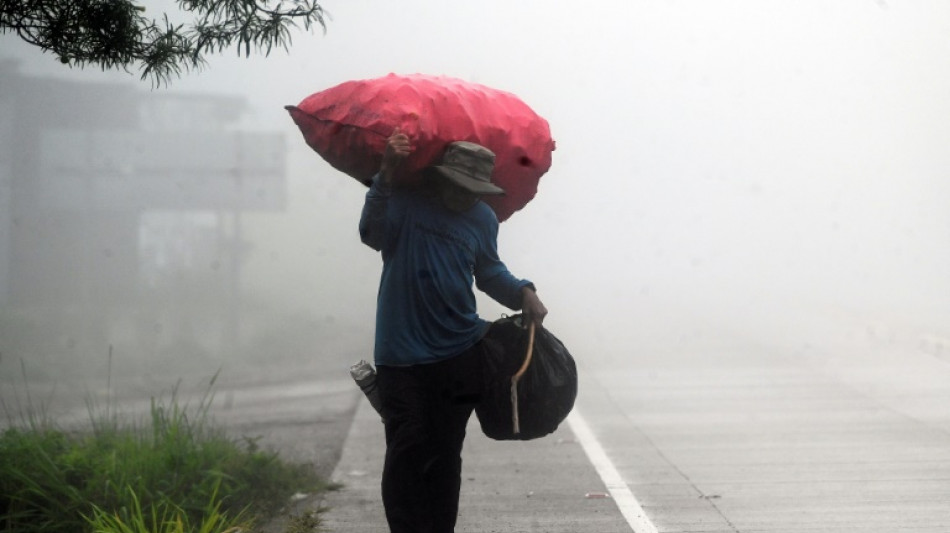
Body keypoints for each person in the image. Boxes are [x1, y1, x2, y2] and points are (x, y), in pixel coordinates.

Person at [359, 129, 548, 533]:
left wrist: (522, 291)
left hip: (460, 352)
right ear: (442, 177)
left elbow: (489, 271)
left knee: (445, 452)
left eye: (475, 189)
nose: (466, 196)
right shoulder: (405, 203)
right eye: (460, 186)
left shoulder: (481, 218)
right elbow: (370, 234)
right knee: (406, 446)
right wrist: (387, 173)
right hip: (400, 354)